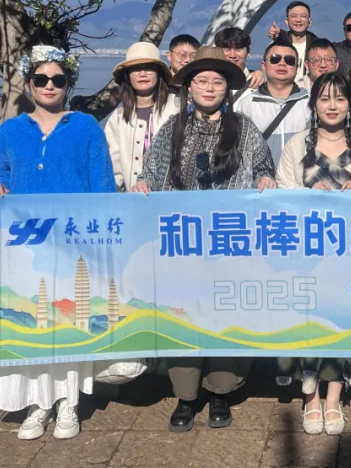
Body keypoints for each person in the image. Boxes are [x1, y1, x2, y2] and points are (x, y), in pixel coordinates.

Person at [134, 47, 275, 433]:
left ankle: (220, 391)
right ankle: (186, 395)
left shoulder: (243, 128)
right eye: (201, 81)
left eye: (217, 81)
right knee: (183, 314)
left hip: (230, 240)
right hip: (183, 242)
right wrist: (143, 184)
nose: (209, 87)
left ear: (227, 88)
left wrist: (265, 178)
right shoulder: (173, 128)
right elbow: (153, 172)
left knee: (228, 314)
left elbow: (263, 166)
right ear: (189, 86)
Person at [0, 46, 114, 441]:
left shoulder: (86, 126)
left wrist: (102, 241)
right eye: (41, 79)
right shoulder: (9, 131)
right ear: (29, 84)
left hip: (74, 244)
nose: (50, 86)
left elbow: (102, 184)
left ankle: (68, 402)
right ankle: (37, 403)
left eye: (58, 79)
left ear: (69, 84)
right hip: (25, 246)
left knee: (69, 321)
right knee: (32, 321)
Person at [277, 72, 351, 436]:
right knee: (311, 320)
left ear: (348, 105)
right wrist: (309, 196)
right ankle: (310, 397)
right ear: (314, 104)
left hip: (350, 252)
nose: (332, 105)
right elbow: (282, 192)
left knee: (341, 319)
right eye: (324, 98)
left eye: (340, 99)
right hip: (307, 251)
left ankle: (333, 397)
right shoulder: (297, 144)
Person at [104, 42, 182, 191]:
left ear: (159, 73)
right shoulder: (118, 118)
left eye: (149, 68)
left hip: (172, 196)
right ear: (128, 76)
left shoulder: (178, 107)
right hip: (134, 198)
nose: (142, 74)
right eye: (135, 69)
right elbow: (113, 166)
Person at [234, 41, 310, 164]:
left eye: (289, 60)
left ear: (297, 67)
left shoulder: (309, 103)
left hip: (297, 175)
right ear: (263, 66)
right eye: (275, 59)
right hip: (261, 175)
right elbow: (241, 149)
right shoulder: (248, 103)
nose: (282, 63)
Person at [267, 0, 319, 73]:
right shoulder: (276, 46)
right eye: (294, 16)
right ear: (287, 21)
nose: (298, 20)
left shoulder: (317, 46)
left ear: (309, 22)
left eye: (303, 16)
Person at [214, 26, 266, 93]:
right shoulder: (207, 80)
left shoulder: (258, 81)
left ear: (248, 52)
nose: (232, 55)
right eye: (227, 49)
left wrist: (264, 75)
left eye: (238, 48)